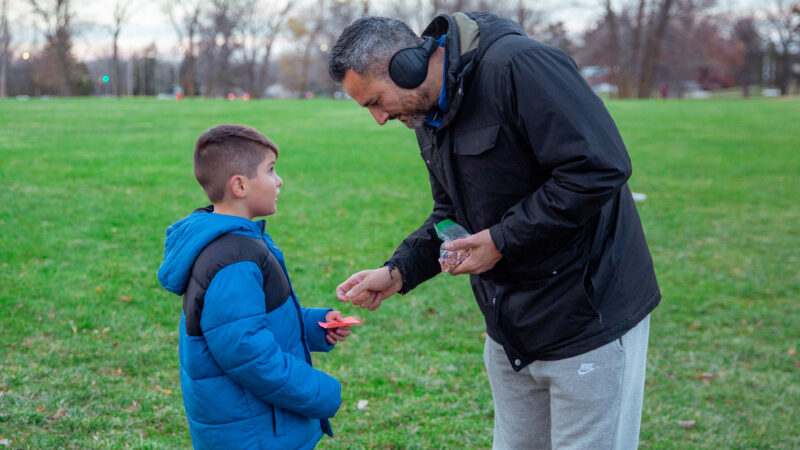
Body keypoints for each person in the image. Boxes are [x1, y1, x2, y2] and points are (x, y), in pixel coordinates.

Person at [328, 13, 660, 449]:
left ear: (406, 65)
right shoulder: (426, 115)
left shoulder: (519, 67)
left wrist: (501, 240)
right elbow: (451, 213)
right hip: (510, 331)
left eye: (374, 101)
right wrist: (398, 272)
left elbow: (599, 169)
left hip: (588, 319)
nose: (378, 118)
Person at [157, 124, 348, 449]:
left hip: (257, 425)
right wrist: (319, 390)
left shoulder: (238, 241)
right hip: (253, 433)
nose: (279, 180)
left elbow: (249, 321)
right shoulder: (233, 259)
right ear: (240, 185)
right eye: (271, 171)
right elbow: (247, 353)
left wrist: (314, 324)